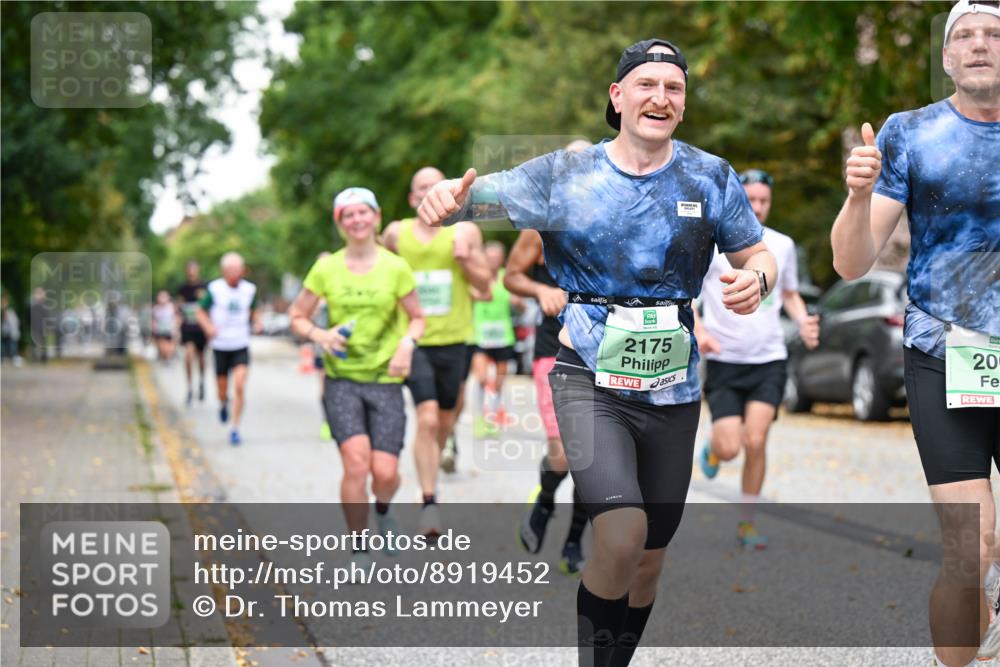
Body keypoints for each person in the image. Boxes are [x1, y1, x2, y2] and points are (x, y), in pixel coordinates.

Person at [417, 38, 775, 667]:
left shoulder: (710, 175)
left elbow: (756, 253)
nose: (660, 98)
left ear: (683, 103)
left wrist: (760, 278)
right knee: (621, 532)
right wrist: (446, 198)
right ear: (618, 96)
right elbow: (475, 197)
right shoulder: (564, 175)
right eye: (646, 85)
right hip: (586, 373)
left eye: (674, 88)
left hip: (674, 387)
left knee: (648, 559)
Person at [831, 3, 999, 665]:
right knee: (971, 545)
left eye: (995, 35)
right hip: (946, 349)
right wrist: (855, 196)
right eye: (965, 36)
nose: (981, 45)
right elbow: (851, 263)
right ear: (948, 57)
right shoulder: (912, 133)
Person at [289, 187, 424, 570]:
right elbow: (297, 316)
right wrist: (319, 335)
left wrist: (406, 345)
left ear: (376, 217)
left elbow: (418, 317)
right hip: (341, 379)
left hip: (385, 379)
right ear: (339, 223)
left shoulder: (395, 267)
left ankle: (383, 509)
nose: (357, 219)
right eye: (348, 214)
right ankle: (359, 548)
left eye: (363, 212)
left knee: (386, 473)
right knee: (355, 465)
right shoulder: (326, 268)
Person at [695, 168, 820, 549]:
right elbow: (691, 297)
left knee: (756, 438)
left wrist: (804, 322)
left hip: (769, 358)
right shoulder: (714, 246)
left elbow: (790, 294)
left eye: (764, 200)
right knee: (731, 446)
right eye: (751, 200)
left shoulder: (781, 246)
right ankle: (714, 448)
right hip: (725, 360)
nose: (758, 207)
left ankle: (747, 523)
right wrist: (699, 331)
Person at [382, 167, 490, 537]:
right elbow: (381, 274)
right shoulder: (396, 234)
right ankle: (430, 500)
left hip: (456, 339)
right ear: (414, 199)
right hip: (415, 340)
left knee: (445, 421)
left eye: (435, 185)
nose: (429, 192)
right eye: (421, 188)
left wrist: (466, 260)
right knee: (426, 419)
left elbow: (485, 285)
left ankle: (429, 471)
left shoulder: (465, 231)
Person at [505, 226, 591, 576]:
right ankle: (545, 499)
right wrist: (542, 290)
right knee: (564, 453)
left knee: (590, 456)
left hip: (604, 353)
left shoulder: (618, 217)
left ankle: (573, 541)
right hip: (552, 351)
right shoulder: (539, 229)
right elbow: (511, 276)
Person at [196, 252, 261, 446]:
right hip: (220, 345)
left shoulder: (249, 290)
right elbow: (200, 311)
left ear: (242, 270)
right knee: (222, 391)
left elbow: (254, 311)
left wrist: (257, 321)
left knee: (240, 385)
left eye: (238, 269)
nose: (235, 273)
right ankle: (224, 403)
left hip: (240, 344)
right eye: (231, 269)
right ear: (224, 271)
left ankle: (234, 428)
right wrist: (208, 327)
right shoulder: (215, 289)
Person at [470, 241, 523, 436]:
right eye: (489, 256)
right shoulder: (476, 278)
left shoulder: (507, 279)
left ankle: (492, 417)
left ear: (502, 259)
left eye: (496, 257)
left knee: (499, 382)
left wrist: (517, 303)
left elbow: (523, 308)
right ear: (483, 257)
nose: (492, 260)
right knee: (482, 378)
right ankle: (480, 419)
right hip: (479, 336)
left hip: (503, 337)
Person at [177, 261, 208, 405]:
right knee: (188, 356)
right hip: (188, 328)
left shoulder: (204, 287)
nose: (192, 272)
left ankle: (201, 380)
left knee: (201, 356)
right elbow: (179, 308)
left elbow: (208, 306)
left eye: (194, 270)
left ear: (198, 270)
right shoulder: (183, 289)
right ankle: (189, 388)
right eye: (189, 270)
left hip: (200, 328)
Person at [151, 289, 178, 362]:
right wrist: (153, 328)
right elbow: (153, 319)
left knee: (169, 345)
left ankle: (168, 357)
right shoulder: (155, 308)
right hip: (160, 329)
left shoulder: (171, 307)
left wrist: (176, 329)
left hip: (170, 329)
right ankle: (165, 357)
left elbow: (177, 317)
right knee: (162, 345)